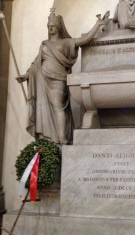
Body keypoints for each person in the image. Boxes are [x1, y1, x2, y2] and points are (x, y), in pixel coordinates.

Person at [16, 9, 109, 145]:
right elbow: (36, 63)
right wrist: (25, 76)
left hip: (58, 79)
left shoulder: (66, 42)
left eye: (53, 25)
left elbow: (84, 40)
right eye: (49, 26)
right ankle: (49, 139)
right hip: (43, 79)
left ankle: (62, 138)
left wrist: (97, 24)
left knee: (58, 107)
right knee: (44, 108)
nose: (50, 27)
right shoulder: (44, 44)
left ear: (59, 27)